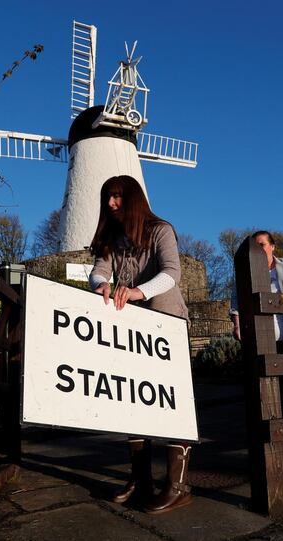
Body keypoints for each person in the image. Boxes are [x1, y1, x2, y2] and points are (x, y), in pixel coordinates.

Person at [88, 175, 192, 514]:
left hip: (165, 324)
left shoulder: (161, 230)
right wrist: (101, 286)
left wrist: (137, 291)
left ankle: (177, 484)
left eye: (117, 197)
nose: (111, 204)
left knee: (170, 401)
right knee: (131, 397)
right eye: (108, 198)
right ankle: (140, 479)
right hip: (130, 331)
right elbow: (98, 271)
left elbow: (172, 272)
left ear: (132, 198)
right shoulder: (112, 239)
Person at [229, 231, 283, 353]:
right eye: (255, 247)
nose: (258, 250)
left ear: (272, 247)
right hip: (261, 339)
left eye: (262, 245)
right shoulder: (246, 273)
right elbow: (236, 299)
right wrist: (238, 326)